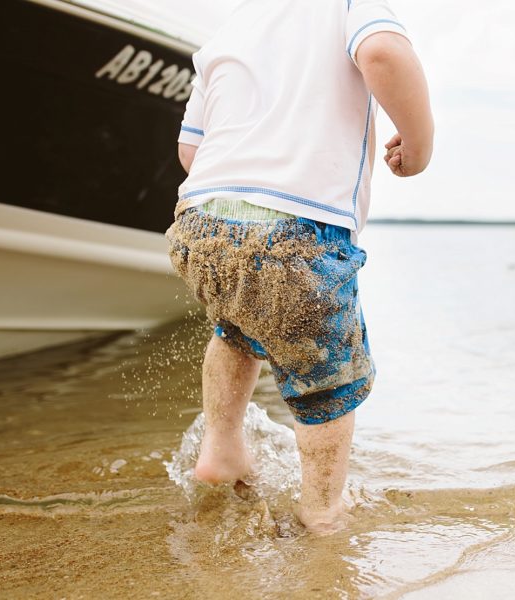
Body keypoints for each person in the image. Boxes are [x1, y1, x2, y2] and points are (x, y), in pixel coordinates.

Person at [165, 0, 433, 534]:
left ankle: (221, 450)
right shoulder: (349, 6)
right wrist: (420, 144)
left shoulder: (233, 28)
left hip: (198, 226)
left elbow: (189, 150)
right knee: (326, 378)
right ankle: (323, 509)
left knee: (236, 328)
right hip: (297, 233)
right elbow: (382, 50)